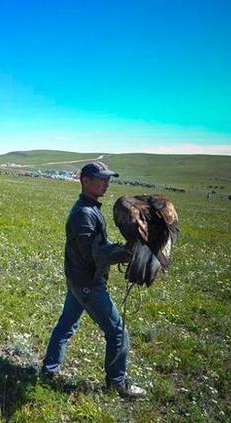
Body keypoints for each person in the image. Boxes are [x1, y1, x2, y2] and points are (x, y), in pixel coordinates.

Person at [40, 161, 146, 398]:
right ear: (84, 180)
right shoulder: (85, 214)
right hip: (87, 283)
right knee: (118, 332)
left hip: (78, 280)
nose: (106, 183)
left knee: (66, 325)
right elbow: (95, 254)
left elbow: (94, 249)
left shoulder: (89, 208)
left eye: (108, 179)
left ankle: (49, 370)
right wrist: (129, 253)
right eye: (101, 178)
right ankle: (117, 383)